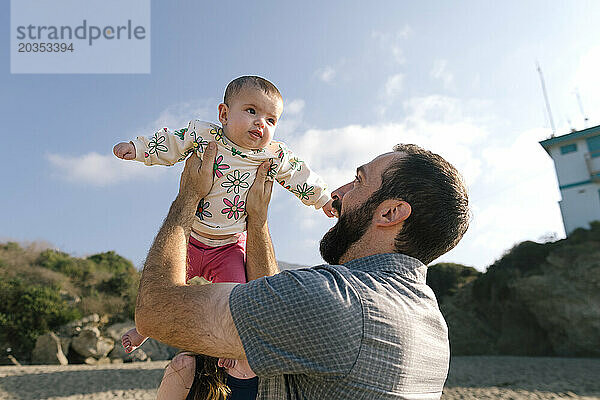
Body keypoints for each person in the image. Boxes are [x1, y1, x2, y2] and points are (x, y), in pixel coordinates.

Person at [135, 142, 470, 399]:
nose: (337, 194)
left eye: (358, 182)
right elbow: (275, 311)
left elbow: (155, 311)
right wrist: (257, 221)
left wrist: (188, 198)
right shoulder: (433, 329)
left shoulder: (340, 300)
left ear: (390, 213)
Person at [113, 76, 334, 392]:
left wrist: (323, 199)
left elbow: (299, 174)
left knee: (236, 297)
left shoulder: (273, 155)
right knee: (163, 287)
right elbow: (170, 143)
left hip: (230, 245)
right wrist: (136, 149)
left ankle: (235, 355)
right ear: (224, 114)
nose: (261, 123)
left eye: (271, 119)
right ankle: (143, 329)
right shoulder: (204, 136)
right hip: (191, 239)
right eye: (251, 111)